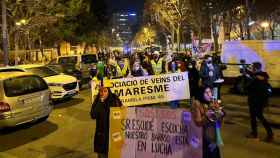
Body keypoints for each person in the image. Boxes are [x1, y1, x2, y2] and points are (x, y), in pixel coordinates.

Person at [90, 80, 123, 158]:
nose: (103, 93)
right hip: (102, 135)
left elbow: (122, 112)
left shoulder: (114, 99)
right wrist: (100, 103)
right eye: (101, 91)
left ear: (109, 91)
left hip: (114, 134)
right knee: (102, 155)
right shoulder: (97, 100)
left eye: (105, 91)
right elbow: (93, 115)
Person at [192, 86, 225, 158]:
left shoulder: (213, 101)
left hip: (213, 134)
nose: (209, 94)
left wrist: (221, 113)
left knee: (214, 153)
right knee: (207, 154)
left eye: (210, 92)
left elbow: (218, 121)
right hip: (203, 137)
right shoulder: (197, 104)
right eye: (206, 93)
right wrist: (207, 116)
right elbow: (198, 122)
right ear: (201, 94)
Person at [246, 62, 273, 142]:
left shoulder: (255, 78)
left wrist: (248, 78)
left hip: (254, 101)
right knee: (259, 117)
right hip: (261, 102)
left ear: (256, 68)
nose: (252, 69)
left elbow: (247, 87)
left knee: (256, 118)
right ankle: (258, 133)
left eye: (253, 67)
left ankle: (267, 134)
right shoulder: (264, 76)